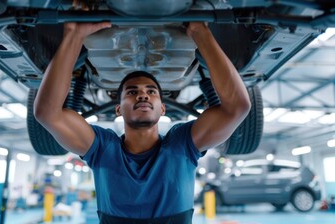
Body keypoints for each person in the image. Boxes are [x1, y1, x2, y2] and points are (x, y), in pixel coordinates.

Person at [34, 21, 251, 223]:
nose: (143, 95)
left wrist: (201, 32)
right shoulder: (103, 148)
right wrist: (74, 34)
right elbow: (48, 113)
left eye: (151, 91)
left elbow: (237, 108)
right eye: (132, 92)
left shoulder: (181, 143)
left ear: (162, 108)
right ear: (118, 109)